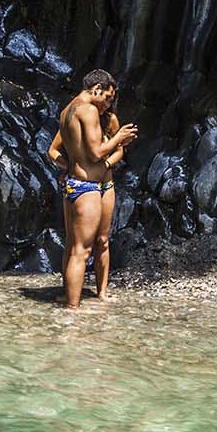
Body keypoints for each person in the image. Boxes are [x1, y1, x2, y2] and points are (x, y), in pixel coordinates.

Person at [47, 69, 138, 309]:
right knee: (81, 250)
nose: (109, 103)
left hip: (76, 183)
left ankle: (70, 299)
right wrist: (119, 138)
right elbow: (96, 152)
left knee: (74, 245)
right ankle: (73, 309)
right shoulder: (87, 110)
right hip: (86, 186)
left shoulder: (68, 110)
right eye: (107, 96)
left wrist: (67, 168)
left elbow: (76, 152)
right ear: (96, 89)